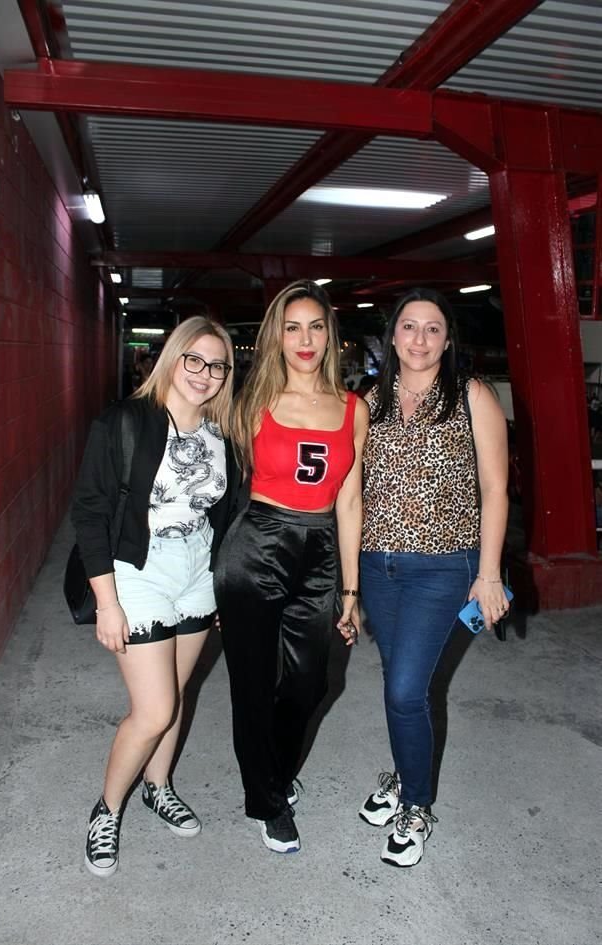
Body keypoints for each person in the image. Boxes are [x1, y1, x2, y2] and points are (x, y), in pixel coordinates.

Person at [72, 316, 237, 877]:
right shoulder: (126, 420)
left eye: (217, 365)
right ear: (172, 358)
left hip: (196, 571)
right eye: (194, 359)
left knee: (179, 690)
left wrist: (224, 586)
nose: (205, 374)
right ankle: (107, 808)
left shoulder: (221, 435)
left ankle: (158, 785)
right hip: (136, 569)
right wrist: (107, 601)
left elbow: (226, 514)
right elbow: (89, 512)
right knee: (155, 709)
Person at [214, 279, 369, 854]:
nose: (305, 339)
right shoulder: (251, 401)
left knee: (308, 683)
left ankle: (274, 769)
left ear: (330, 335)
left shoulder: (354, 409)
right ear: (276, 336)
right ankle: (266, 800)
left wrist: (350, 589)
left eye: (316, 326)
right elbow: (219, 486)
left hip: (321, 548)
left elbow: (350, 501)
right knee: (252, 685)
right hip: (256, 545)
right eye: (292, 327)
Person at [357, 287, 509, 868]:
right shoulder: (369, 400)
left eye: (433, 329)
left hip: (445, 569)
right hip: (379, 567)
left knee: (403, 691)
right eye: (410, 327)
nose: (420, 339)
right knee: (406, 686)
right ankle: (403, 774)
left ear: (448, 339)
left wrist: (489, 573)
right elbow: (351, 494)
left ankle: (416, 804)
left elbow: (495, 490)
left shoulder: (472, 397)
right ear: (392, 335)